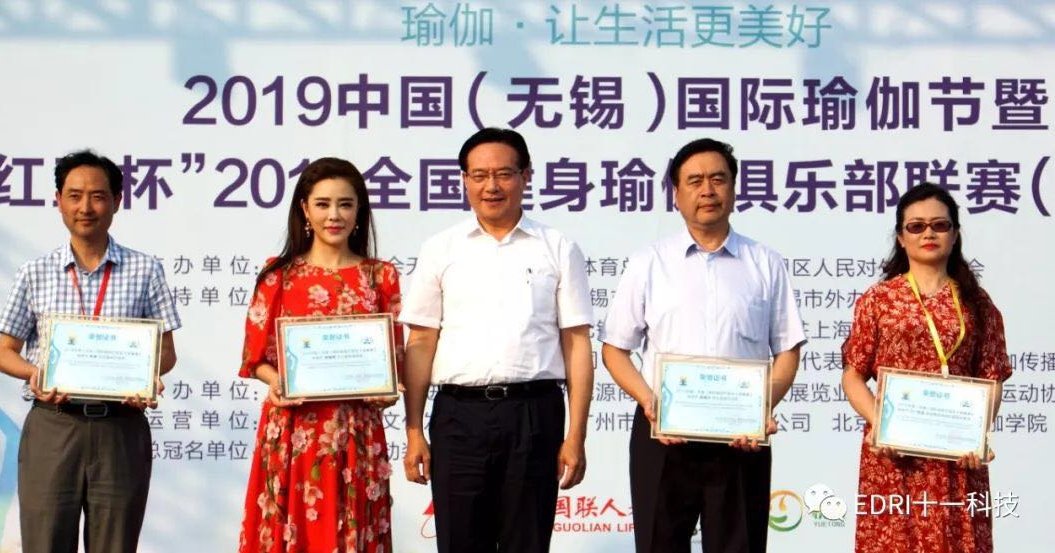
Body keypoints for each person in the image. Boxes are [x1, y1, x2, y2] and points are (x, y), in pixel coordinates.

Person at [601, 138, 806, 553]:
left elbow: (787, 349)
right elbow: (614, 349)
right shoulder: (649, 262)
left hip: (741, 438)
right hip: (663, 435)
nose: (707, 190)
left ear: (734, 188)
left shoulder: (765, 262)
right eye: (694, 181)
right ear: (676, 194)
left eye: (718, 179)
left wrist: (761, 407)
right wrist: (649, 401)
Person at [399, 127, 594, 553]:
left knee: (527, 542)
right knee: (460, 543)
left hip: (534, 416)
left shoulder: (558, 247)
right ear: (464, 180)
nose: (492, 186)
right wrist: (413, 430)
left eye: (504, 174)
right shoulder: (441, 248)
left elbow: (577, 343)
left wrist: (576, 435)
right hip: (458, 418)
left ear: (526, 176)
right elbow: (421, 341)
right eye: (479, 175)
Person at [0, 149, 181, 553]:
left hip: (120, 427)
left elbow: (166, 351)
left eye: (97, 196)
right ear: (58, 201)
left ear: (117, 201)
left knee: (115, 544)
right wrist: (34, 373)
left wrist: (145, 376)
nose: (85, 207)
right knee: (44, 542)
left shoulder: (145, 270)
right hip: (53, 425)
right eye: (74, 196)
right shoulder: (35, 272)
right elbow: (5, 352)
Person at [237, 157, 402, 553]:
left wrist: (388, 389)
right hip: (294, 430)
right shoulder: (278, 275)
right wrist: (277, 381)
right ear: (305, 210)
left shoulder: (381, 275)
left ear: (359, 210)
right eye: (323, 204)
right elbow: (255, 358)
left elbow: (392, 358)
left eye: (345, 204)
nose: (334, 215)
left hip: (357, 430)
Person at [841, 183, 1010, 553]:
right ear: (901, 238)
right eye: (916, 226)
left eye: (940, 225)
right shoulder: (878, 300)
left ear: (955, 235)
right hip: (892, 458)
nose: (928, 233)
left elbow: (992, 377)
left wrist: (976, 434)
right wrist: (879, 424)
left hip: (957, 462)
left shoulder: (978, 303)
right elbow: (853, 373)